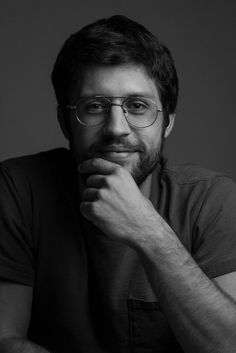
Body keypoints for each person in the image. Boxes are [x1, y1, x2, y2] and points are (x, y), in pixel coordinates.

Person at [0, 14, 236, 353]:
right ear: (65, 122)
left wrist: (149, 232)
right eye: (94, 106)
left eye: (137, 106)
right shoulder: (18, 190)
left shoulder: (212, 202)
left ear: (167, 122)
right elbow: (5, 341)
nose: (116, 128)